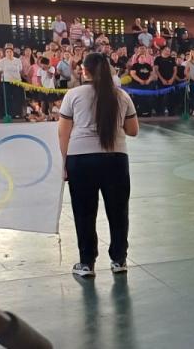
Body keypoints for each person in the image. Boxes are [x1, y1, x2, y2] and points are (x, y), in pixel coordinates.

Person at [58, 52, 139, 277]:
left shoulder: (73, 95)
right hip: (115, 160)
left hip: (80, 160)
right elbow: (133, 131)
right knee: (118, 211)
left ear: (84, 71)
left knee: (84, 212)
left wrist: (64, 162)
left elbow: (63, 133)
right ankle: (119, 260)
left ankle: (86, 263)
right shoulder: (122, 96)